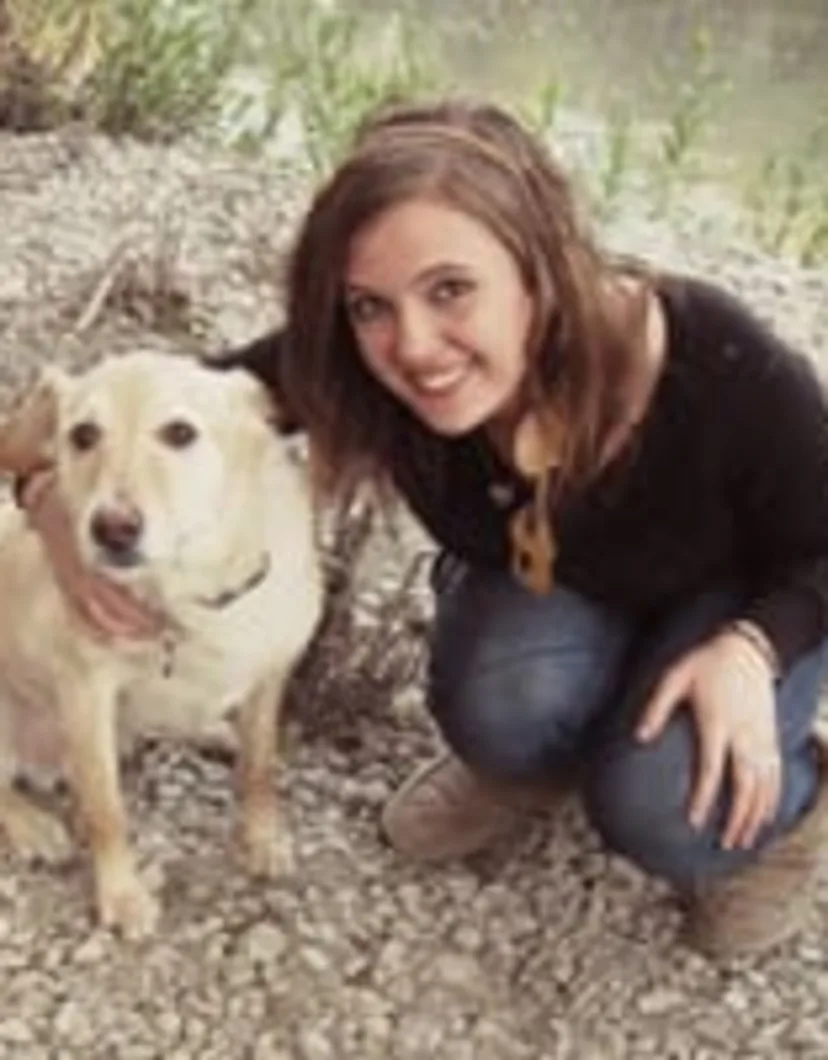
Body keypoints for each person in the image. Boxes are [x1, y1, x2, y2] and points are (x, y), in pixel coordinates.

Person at [16, 98, 828, 959]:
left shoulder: (712, 362)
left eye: (451, 290)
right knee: (493, 703)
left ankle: (799, 817)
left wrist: (754, 647)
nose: (413, 346)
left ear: (538, 265)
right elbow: (142, 409)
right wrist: (59, 520)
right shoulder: (354, 364)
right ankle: (539, 765)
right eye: (371, 305)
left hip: (749, 596)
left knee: (659, 809)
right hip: (566, 587)